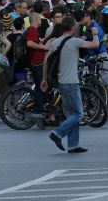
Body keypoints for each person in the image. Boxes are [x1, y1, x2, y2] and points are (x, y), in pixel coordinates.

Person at [41, 16, 101, 153]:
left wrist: (44, 79)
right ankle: (57, 133)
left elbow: (46, 61)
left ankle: (73, 145)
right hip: (71, 82)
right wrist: (95, 33)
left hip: (60, 83)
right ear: (73, 28)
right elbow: (95, 45)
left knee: (71, 114)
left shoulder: (55, 42)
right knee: (78, 114)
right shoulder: (74, 41)